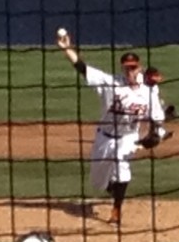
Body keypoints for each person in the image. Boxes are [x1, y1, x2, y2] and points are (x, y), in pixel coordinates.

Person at [57, 30, 171, 226]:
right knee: (97, 182)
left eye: (133, 68)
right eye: (126, 68)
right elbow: (82, 68)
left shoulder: (149, 91)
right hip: (104, 137)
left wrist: (154, 133)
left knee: (121, 165)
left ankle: (116, 211)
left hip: (128, 138)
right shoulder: (111, 83)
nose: (130, 71)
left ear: (139, 68)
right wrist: (68, 49)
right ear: (122, 68)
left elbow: (157, 118)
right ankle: (114, 190)